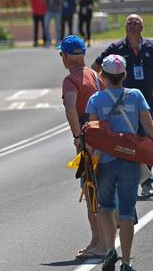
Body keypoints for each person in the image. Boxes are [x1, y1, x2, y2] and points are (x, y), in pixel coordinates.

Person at [86, 54, 153, 271]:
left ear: (103, 76)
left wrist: (87, 162)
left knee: (105, 207)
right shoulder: (136, 95)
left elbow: (92, 136)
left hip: (105, 161)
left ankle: (109, 251)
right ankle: (125, 261)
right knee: (126, 212)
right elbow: (149, 126)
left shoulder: (95, 100)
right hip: (130, 160)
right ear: (124, 75)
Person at [91, 14, 153, 196]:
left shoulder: (150, 47)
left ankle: (146, 179)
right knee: (129, 138)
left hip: (147, 99)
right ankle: (139, 179)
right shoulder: (116, 49)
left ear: (142, 28)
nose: (132, 26)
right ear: (125, 28)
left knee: (145, 138)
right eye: (129, 23)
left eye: (136, 23)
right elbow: (95, 68)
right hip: (122, 100)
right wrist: (107, 90)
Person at [58, 35, 107, 259]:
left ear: (66, 57)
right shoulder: (96, 76)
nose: (62, 58)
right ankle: (97, 240)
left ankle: (101, 244)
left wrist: (77, 136)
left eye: (62, 54)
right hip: (103, 135)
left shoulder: (71, 80)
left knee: (90, 190)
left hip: (87, 137)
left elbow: (70, 107)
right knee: (97, 188)